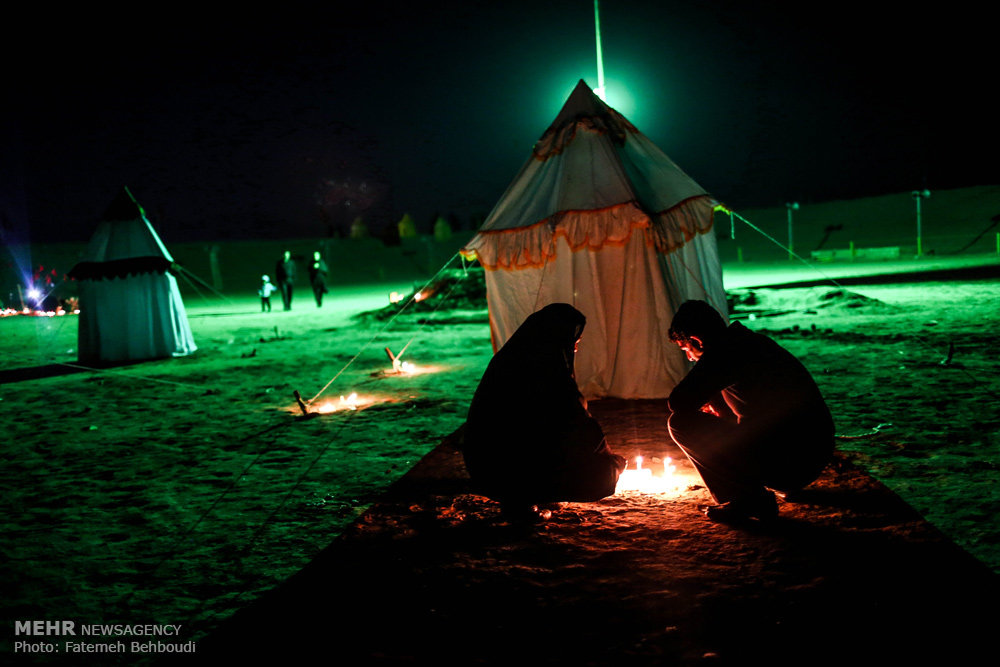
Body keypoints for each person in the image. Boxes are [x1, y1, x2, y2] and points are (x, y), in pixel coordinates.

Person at [665, 300, 834, 523]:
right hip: (813, 455)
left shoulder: (725, 353)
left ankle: (747, 499)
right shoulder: (751, 342)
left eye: (687, 349)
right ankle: (769, 485)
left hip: (791, 462)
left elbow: (678, 402)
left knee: (680, 423)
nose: (689, 358)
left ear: (697, 340)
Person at [462, 303, 626, 520]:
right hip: (505, 468)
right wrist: (610, 459)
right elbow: (576, 426)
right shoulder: (544, 373)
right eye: (573, 342)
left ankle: (525, 497)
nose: (575, 349)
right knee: (603, 473)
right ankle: (525, 501)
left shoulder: (509, 360)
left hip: (486, 467)